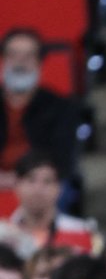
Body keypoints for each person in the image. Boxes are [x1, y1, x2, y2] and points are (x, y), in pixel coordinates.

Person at [0, 28, 81, 190]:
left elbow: (63, 163)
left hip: (39, 186)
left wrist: (23, 180)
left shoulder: (61, 108)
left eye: (28, 56)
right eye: (13, 55)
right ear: (3, 61)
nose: (20, 63)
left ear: (39, 62)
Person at [1, 150, 97, 258]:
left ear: (59, 189)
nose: (38, 189)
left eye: (47, 181)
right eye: (31, 180)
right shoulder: (3, 232)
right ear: (16, 185)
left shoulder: (79, 231)